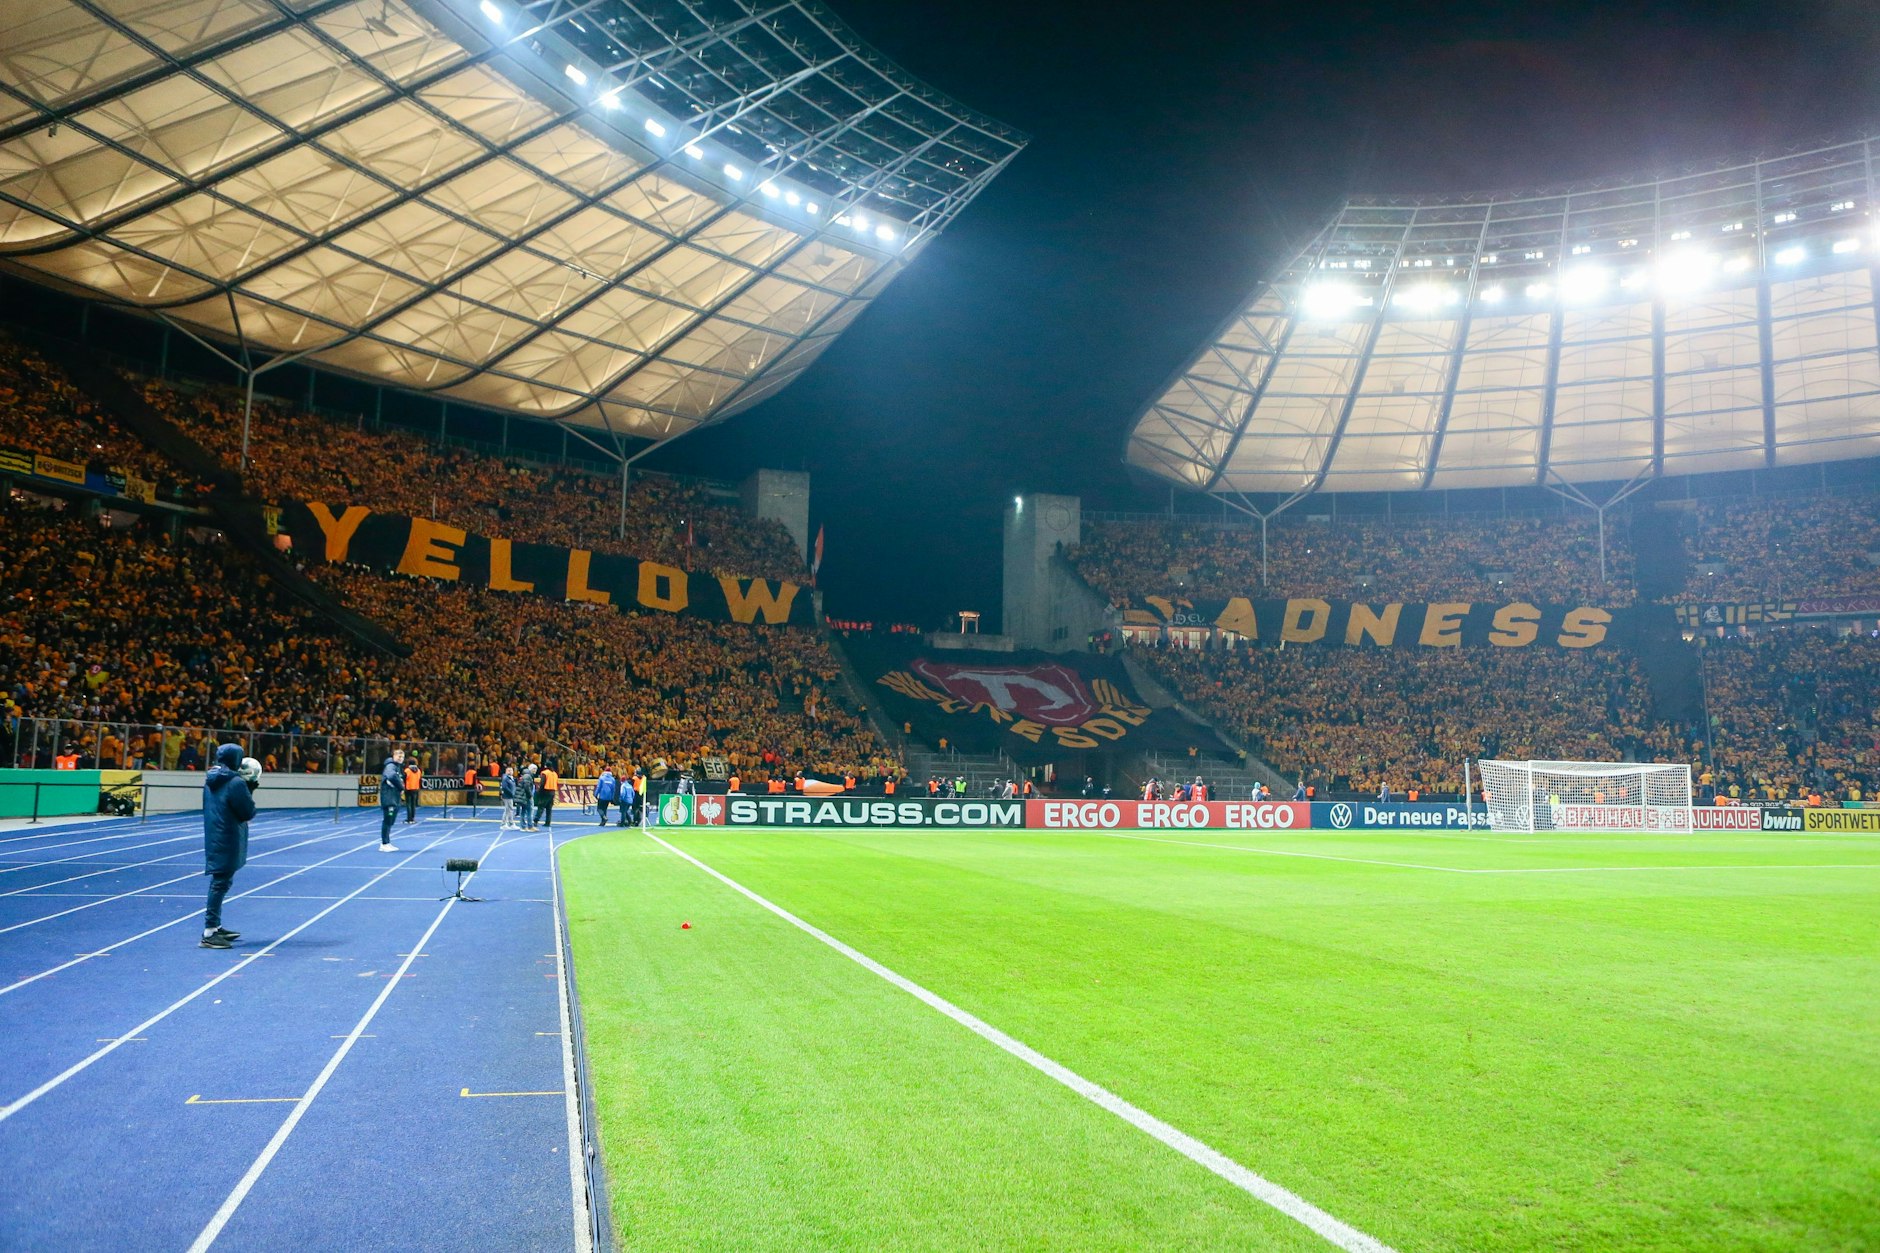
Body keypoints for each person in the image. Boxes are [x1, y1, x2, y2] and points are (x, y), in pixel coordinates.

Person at [200, 744, 257, 950]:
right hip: (228, 835)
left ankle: (214, 926)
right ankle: (209, 932)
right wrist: (250, 787)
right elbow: (247, 811)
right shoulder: (235, 783)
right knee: (220, 882)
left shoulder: (210, 780)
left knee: (222, 881)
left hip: (216, 833)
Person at [379, 749, 404, 850]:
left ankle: (387, 842)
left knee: (391, 821)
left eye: (402, 757)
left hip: (394, 798)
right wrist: (401, 787)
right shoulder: (390, 766)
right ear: (393, 756)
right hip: (389, 798)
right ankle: (384, 843)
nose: (400, 758)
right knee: (388, 820)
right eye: (398, 756)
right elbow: (391, 776)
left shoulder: (396, 767)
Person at [537, 761, 559, 827]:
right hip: (552, 791)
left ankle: (536, 820)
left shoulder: (545, 773)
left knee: (541, 807)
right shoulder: (555, 773)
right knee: (549, 808)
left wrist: (539, 792)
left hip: (545, 791)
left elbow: (542, 783)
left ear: (546, 766)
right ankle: (548, 822)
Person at [403, 759, 422, 824]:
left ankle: (409, 819)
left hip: (408, 788)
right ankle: (413, 818)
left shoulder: (407, 770)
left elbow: (404, 779)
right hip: (416, 788)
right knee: (413, 804)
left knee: (408, 804)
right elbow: (420, 779)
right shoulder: (419, 771)